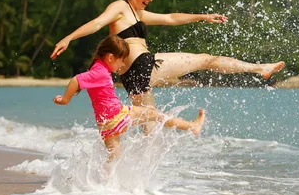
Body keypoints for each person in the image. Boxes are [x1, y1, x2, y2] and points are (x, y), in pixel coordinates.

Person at [50, 0, 285, 109]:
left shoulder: (138, 13)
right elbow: (97, 23)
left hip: (133, 76)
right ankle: (259, 68)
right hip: (142, 64)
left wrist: (203, 17)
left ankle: (130, 183)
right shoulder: (120, 7)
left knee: (150, 125)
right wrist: (69, 37)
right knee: (206, 59)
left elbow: (171, 18)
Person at [53, 35, 205, 161]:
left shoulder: (97, 66)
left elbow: (80, 82)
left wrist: (66, 98)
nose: (123, 63)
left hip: (104, 123)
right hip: (116, 115)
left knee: (114, 157)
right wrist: (66, 99)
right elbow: (76, 80)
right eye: (121, 60)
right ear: (111, 57)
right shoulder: (100, 72)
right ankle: (192, 127)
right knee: (155, 114)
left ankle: (105, 186)